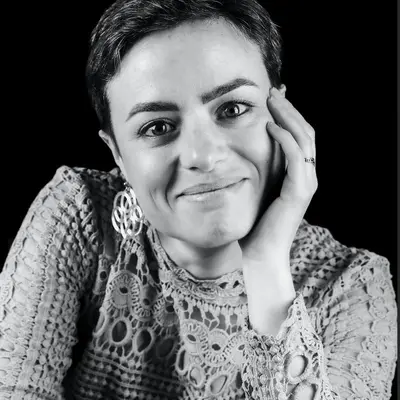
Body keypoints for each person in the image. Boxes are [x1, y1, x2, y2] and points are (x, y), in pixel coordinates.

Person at [0, 0, 397, 398]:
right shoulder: (80, 215)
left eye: (233, 108)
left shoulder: (352, 288)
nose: (203, 156)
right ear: (118, 154)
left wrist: (265, 265)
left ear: (283, 116)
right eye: (157, 127)